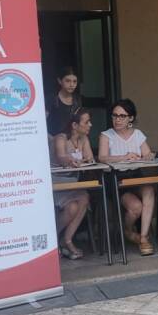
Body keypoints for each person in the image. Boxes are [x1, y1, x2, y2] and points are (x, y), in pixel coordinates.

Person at [98, 99, 157, 256]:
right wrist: (124, 157)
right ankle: (128, 231)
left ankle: (143, 237)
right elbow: (102, 158)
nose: (117, 119)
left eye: (122, 116)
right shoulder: (106, 135)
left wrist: (148, 156)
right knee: (136, 207)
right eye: (115, 115)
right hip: (116, 179)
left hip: (135, 176)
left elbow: (147, 154)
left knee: (149, 189)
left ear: (130, 118)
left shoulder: (138, 134)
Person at [50, 109, 94, 260]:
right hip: (57, 183)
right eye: (86, 122)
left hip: (73, 183)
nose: (90, 125)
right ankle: (53, 240)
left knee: (84, 197)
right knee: (73, 207)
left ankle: (66, 240)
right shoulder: (60, 138)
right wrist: (69, 160)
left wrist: (86, 160)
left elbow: (90, 158)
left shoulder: (84, 139)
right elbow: (61, 156)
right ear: (75, 125)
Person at [46, 67, 82, 139]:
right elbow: (42, 122)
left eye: (74, 81)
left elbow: (78, 122)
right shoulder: (52, 98)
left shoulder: (77, 100)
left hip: (70, 141)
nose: (72, 84)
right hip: (52, 139)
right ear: (60, 81)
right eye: (68, 81)